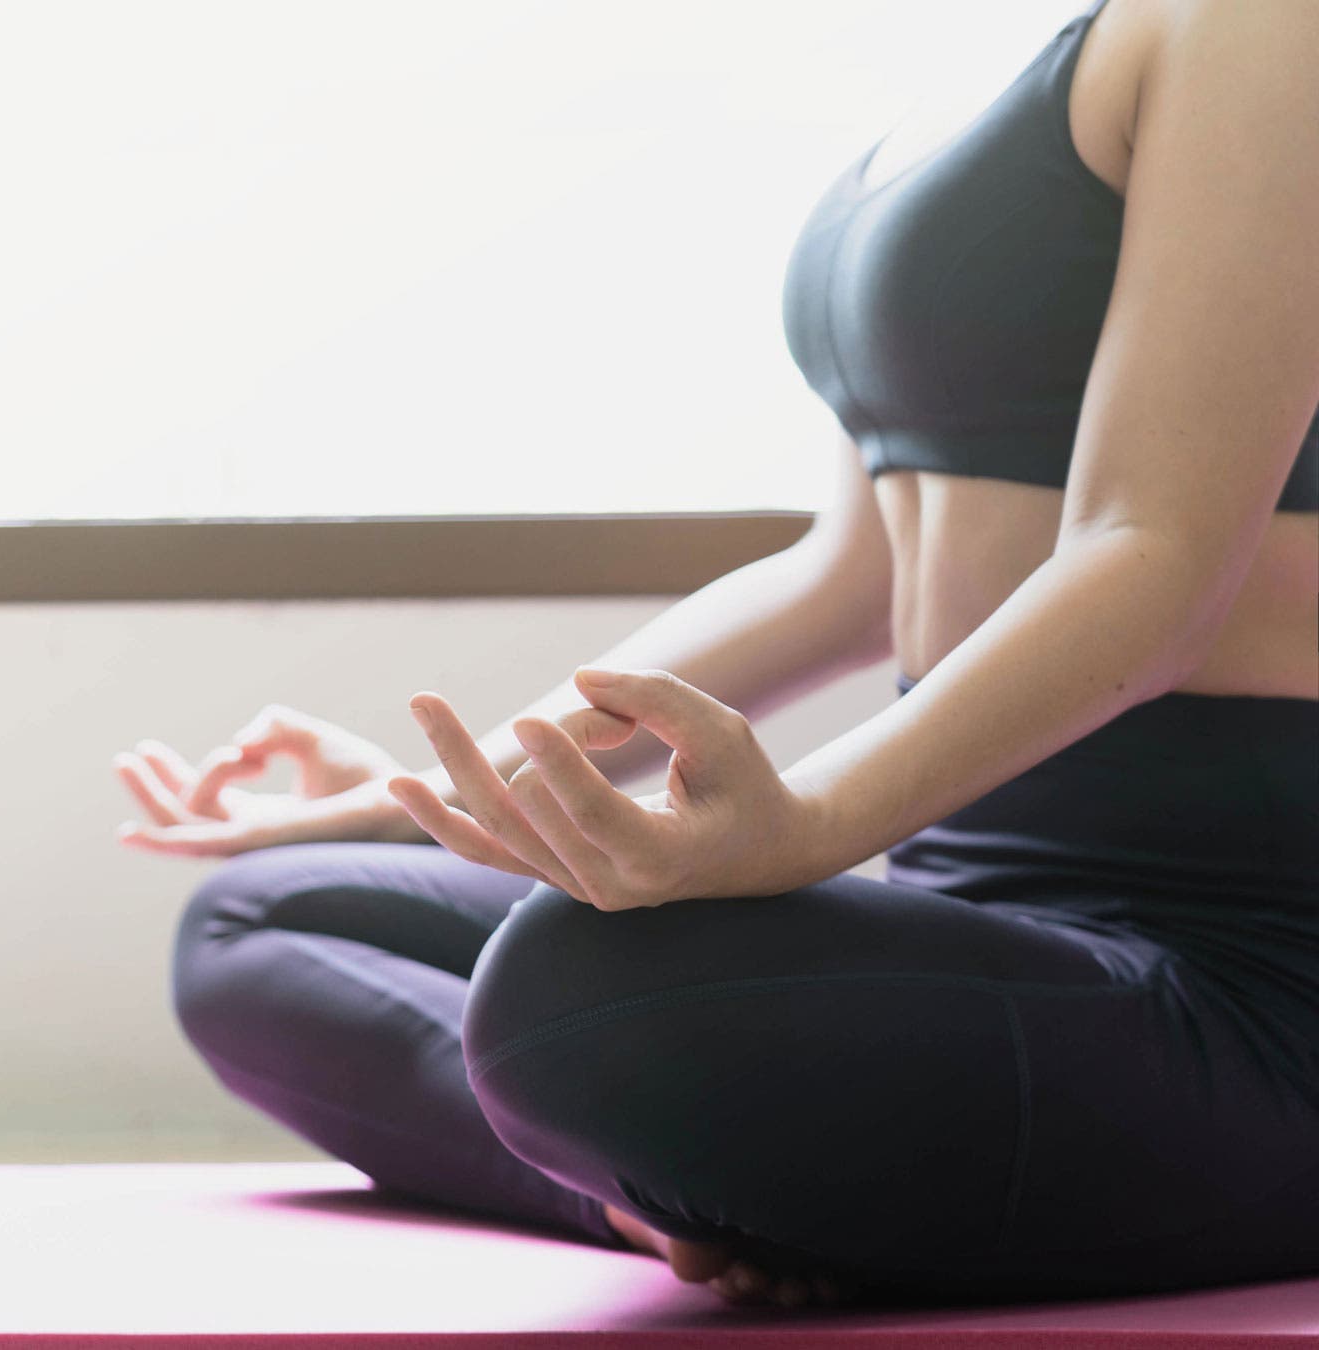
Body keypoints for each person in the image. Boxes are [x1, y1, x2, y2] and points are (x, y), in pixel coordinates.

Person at [114, 0, 1318, 1309]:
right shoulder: (984, 65)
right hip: (980, 905)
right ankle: (647, 1203)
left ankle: (682, 1163)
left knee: (574, 981)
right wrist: (466, 796)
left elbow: (1150, 550)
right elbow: (845, 580)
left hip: (1249, 974)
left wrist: (804, 823)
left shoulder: (1255, 22)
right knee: (263, 914)